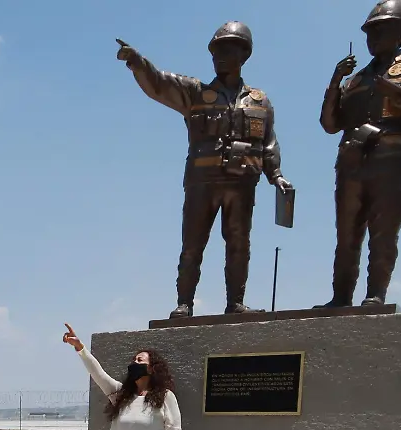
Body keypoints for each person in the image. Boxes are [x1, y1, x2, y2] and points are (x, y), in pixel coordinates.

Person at [116, 23, 294, 318]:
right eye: (216, 51)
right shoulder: (195, 92)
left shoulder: (260, 102)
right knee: (193, 244)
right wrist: (137, 62)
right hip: (203, 182)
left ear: (243, 55)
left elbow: (269, 143)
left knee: (239, 243)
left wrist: (276, 175)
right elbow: (159, 82)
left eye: (227, 50)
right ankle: (185, 303)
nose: (219, 56)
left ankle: (235, 302)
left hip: (241, 183)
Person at [316, 0, 401, 307]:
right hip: (352, 163)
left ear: (400, 34)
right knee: (347, 236)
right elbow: (330, 124)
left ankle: (375, 295)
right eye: (369, 32)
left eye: (381, 30)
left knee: (383, 233)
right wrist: (335, 83)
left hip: (391, 159)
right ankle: (340, 299)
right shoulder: (356, 79)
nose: (372, 38)